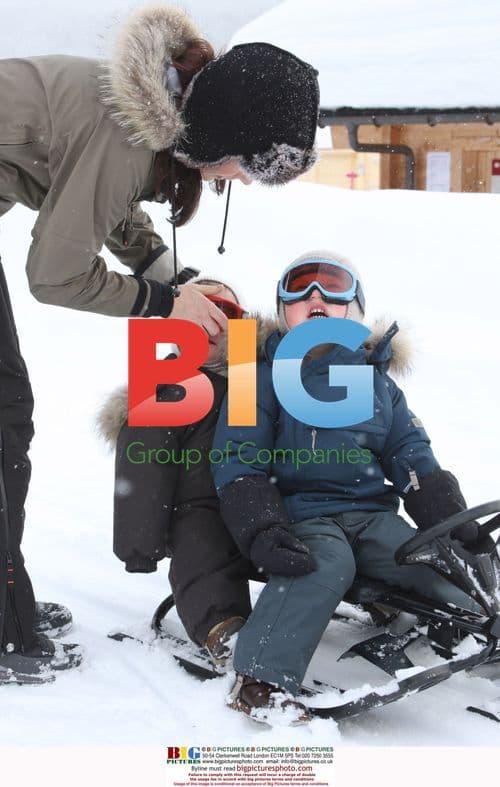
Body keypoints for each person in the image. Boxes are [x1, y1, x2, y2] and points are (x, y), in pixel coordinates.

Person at [0, 3, 320, 681]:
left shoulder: (139, 115)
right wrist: (164, 301)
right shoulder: (123, 133)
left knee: (7, 414)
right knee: (0, 417)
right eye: (248, 166)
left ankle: (5, 610)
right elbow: (54, 275)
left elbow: (107, 212)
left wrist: (182, 281)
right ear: (226, 133)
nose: (238, 180)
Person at [211, 249, 485, 724]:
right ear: (283, 312)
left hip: (373, 515)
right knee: (322, 564)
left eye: (332, 288)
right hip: (301, 515)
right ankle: (260, 678)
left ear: (353, 311)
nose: (315, 297)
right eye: (299, 290)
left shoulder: (376, 383)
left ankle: (472, 631)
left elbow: (410, 454)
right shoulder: (255, 378)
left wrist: (448, 519)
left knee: (434, 563)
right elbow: (239, 458)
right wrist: (261, 526)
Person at [98, 280, 271, 665]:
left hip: (263, 496)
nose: (210, 327)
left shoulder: (259, 375)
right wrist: (139, 545)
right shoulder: (168, 389)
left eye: (223, 314)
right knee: (202, 548)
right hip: (201, 505)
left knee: (316, 532)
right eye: (197, 317)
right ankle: (221, 625)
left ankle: (368, 590)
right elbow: (144, 467)